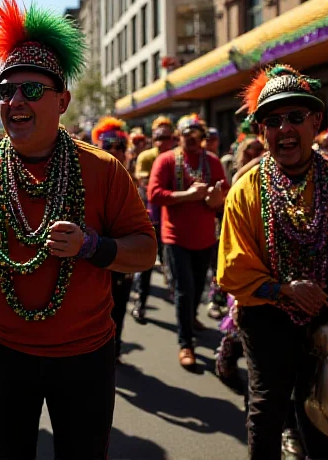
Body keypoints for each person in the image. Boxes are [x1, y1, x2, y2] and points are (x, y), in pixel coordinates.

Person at [0, 0, 156, 459]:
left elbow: (144, 251)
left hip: (85, 355)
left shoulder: (105, 169)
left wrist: (92, 245)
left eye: (31, 89)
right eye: (5, 90)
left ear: (63, 100)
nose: (15, 100)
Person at [219, 65, 328, 459]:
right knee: (267, 409)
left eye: (296, 118)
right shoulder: (245, 192)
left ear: (316, 122)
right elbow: (232, 271)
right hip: (267, 314)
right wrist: (284, 290)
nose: (285, 130)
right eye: (273, 121)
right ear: (262, 132)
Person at [148, 113, 228, 369]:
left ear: (203, 138)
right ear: (178, 137)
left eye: (197, 135)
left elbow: (224, 192)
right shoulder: (166, 160)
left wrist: (215, 199)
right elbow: (155, 194)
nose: (192, 139)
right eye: (186, 135)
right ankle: (186, 343)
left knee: (197, 287)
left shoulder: (212, 161)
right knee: (185, 290)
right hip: (176, 237)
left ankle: (191, 318)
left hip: (205, 238)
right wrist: (187, 195)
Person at [92, 116, 134, 364]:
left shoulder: (131, 178)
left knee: (119, 305)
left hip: (121, 254)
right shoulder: (87, 175)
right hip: (91, 256)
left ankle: (113, 349)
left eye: (120, 146)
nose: (116, 151)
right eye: (109, 146)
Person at [132, 116, 176, 321]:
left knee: (172, 260)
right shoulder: (147, 157)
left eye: (166, 137)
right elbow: (145, 183)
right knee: (147, 260)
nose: (161, 141)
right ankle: (140, 303)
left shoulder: (179, 157)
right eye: (158, 137)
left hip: (174, 218)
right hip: (150, 215)